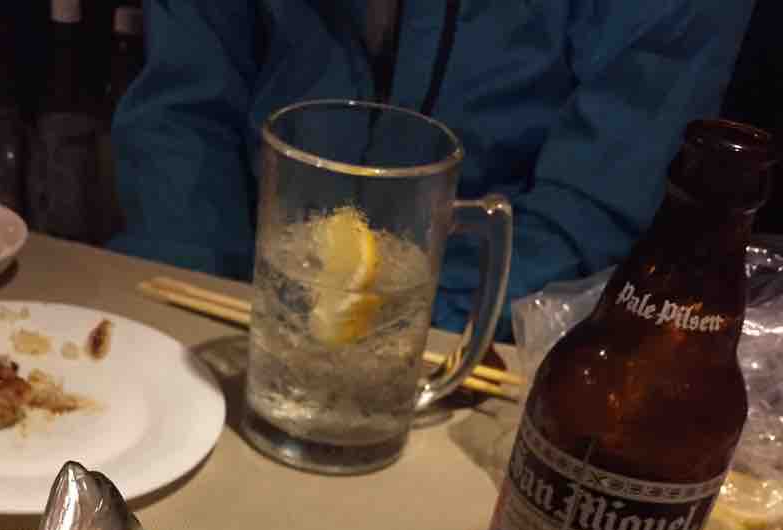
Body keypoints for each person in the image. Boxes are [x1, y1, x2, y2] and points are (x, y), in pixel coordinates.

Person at [110, 1, 755, 336]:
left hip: (486, 335)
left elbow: (597, 202)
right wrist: (190, 300)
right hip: (248, 298)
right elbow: (183, 111)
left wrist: (405, 332)